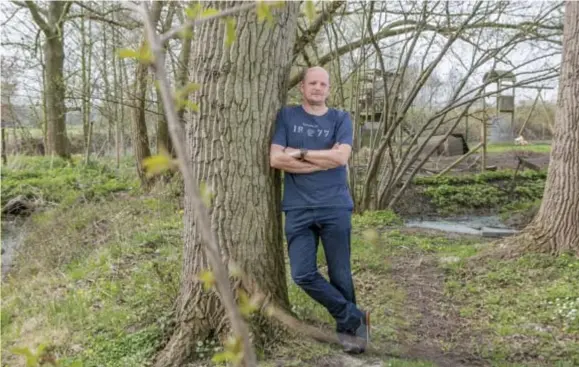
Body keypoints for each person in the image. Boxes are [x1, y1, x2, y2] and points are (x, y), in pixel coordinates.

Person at [269, 66, 370, 353]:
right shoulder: (287, 116)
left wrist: (299, 153)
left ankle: (350, 334)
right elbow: (276, 159)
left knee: (340, 273)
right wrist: (320, 161)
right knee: (302, 273)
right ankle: (355, 316)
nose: (317, 88)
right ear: (302, 87)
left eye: (323, 84)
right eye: (312, 83)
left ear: (328, 89)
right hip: (298, 208)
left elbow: (340, 158)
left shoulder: (341, 118)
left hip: (335, 206)